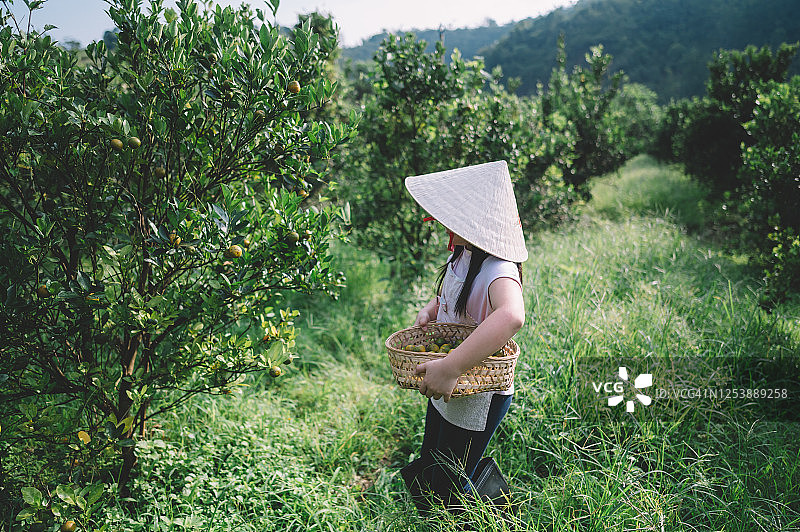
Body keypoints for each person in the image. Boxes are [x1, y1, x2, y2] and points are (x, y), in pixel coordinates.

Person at [399, 160, 527, 513]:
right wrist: (432, 308)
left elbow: (511, 315)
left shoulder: (498, 269)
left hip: (477, 389)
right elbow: (453, 298)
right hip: (452, 379)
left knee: (452, 479)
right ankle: (441, 509)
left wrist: (452, 365)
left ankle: (493, 512)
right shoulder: (464, 254)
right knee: (435, 457)